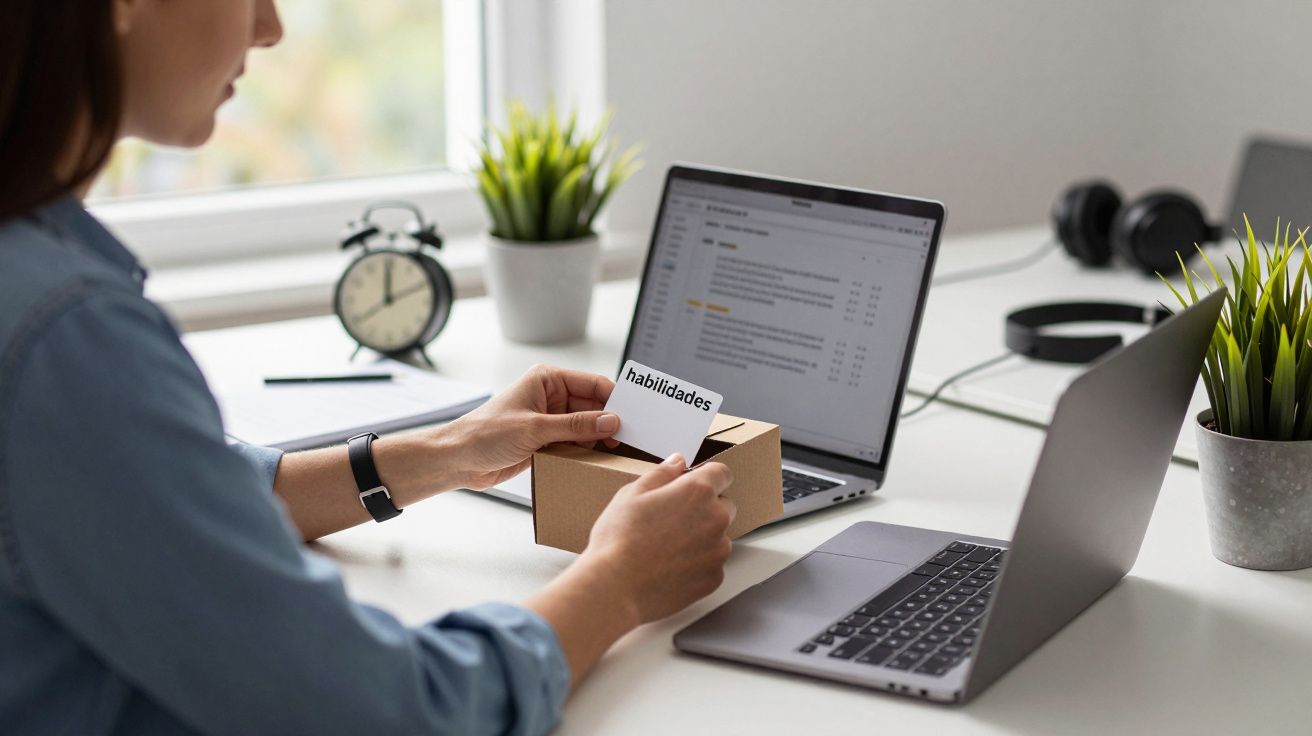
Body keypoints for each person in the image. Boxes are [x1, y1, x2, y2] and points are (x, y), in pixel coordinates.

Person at [0, 2, 737, 734]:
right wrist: (619, 582)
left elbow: (167, 500)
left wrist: (451, 450)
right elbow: (386, 714)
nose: (270, 27)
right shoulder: (68, 339)